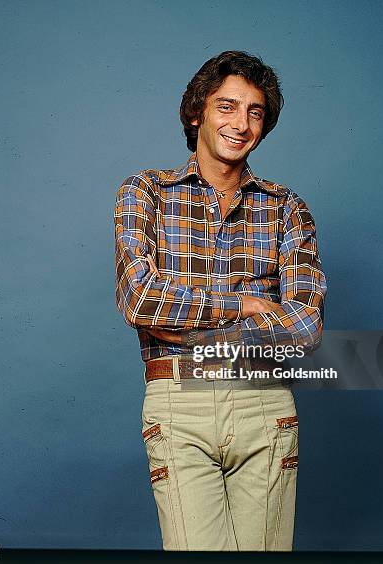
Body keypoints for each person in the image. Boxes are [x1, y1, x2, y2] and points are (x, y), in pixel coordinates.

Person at [114, 50, 327, 551]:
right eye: (226, 106)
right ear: (197, 113)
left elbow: (305, 331)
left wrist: (187, 330)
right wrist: (247, 305)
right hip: (177, 406)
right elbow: (141, 301)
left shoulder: (286, 208)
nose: (241, 123)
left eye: (254, 112)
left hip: (265, 404)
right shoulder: (146, 191)